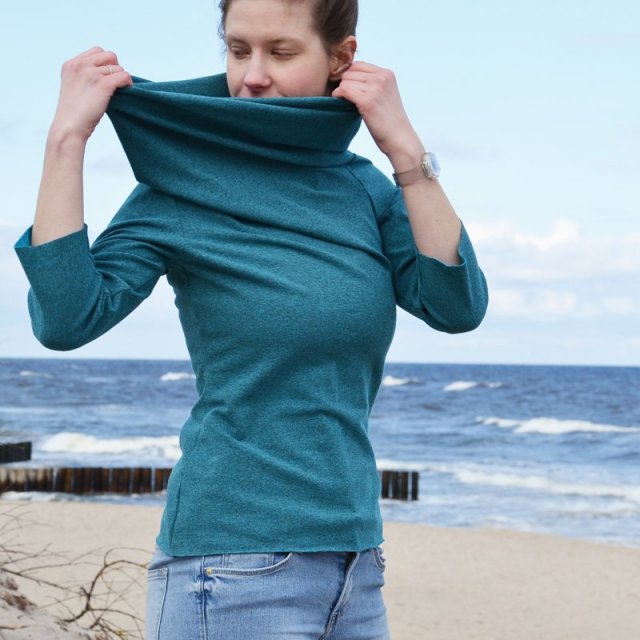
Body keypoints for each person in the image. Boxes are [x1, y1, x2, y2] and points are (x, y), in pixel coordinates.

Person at [15, 0, 488, 638]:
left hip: (355, 563)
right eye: (237, 50)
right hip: (228, 567)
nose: (253, 75)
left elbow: (456, 307)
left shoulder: (364, 187)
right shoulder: (178, 186)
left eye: (281, 52)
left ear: (342, 58)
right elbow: (67, 319)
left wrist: (404, 147)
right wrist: (65, 141)